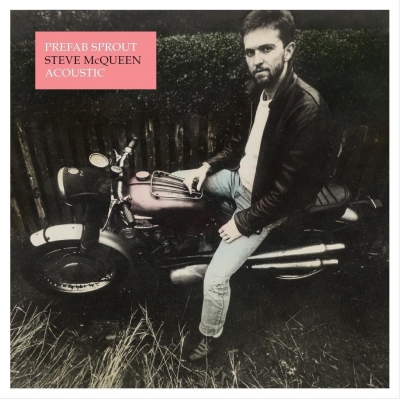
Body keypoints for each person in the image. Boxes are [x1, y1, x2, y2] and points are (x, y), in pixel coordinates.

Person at [175, 10, 334, 361]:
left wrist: (243, 221)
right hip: (238, 180)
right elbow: (240, 145)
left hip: (263, 203)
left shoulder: (306, 109)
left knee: (216, 278)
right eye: (250, 52)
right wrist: (205, 167)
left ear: (288, 50)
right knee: (177, 181)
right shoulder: (258, 92)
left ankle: (209, 337)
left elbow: (288, 191)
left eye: (266, 49)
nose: (257, 60)